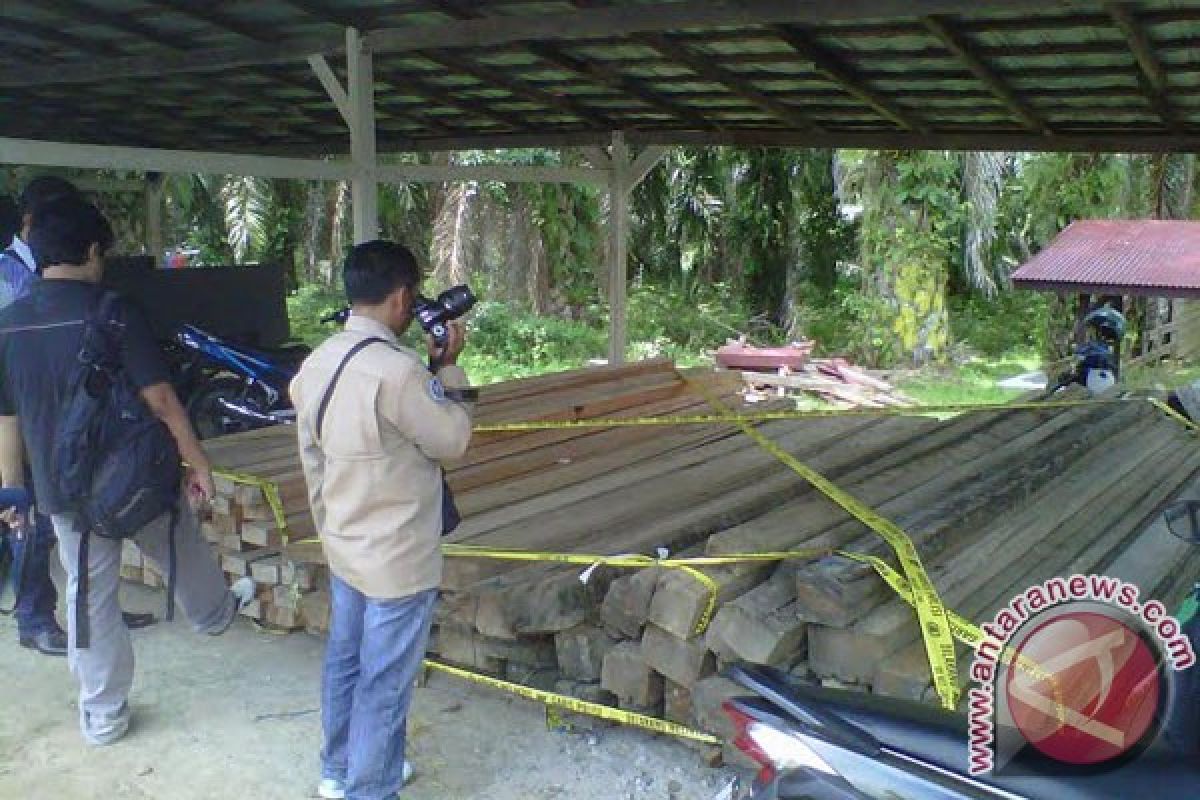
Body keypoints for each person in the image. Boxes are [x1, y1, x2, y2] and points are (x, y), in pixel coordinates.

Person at [0, 195, 254, 745]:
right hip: (132, 475)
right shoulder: (112, 310)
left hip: (60, 490)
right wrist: (199, 461)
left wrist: (13, 490)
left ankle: (103, 715)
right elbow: (161, 399)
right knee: (175, 538)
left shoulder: (7, 324)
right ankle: (213, 615)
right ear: (92, 250)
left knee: (87, 599)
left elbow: (7, 417)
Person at [291, 241, 473, 800]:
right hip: (397, 559)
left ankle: (338, 768)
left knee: (345, 662)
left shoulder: (314, 364)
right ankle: (371, 787)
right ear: (401, 298)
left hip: (345, 545)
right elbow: (454, 439)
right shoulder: (398, 374)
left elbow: (312, 460)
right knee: (385, 680)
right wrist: (449, 368)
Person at [0, 177, 153, 658]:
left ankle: (99, 609)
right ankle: (35, 617)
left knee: (94, 513)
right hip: (29, 411)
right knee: (35, 520)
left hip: (72, 412)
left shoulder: (32, 267)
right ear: (32, 221)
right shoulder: (11, 275)